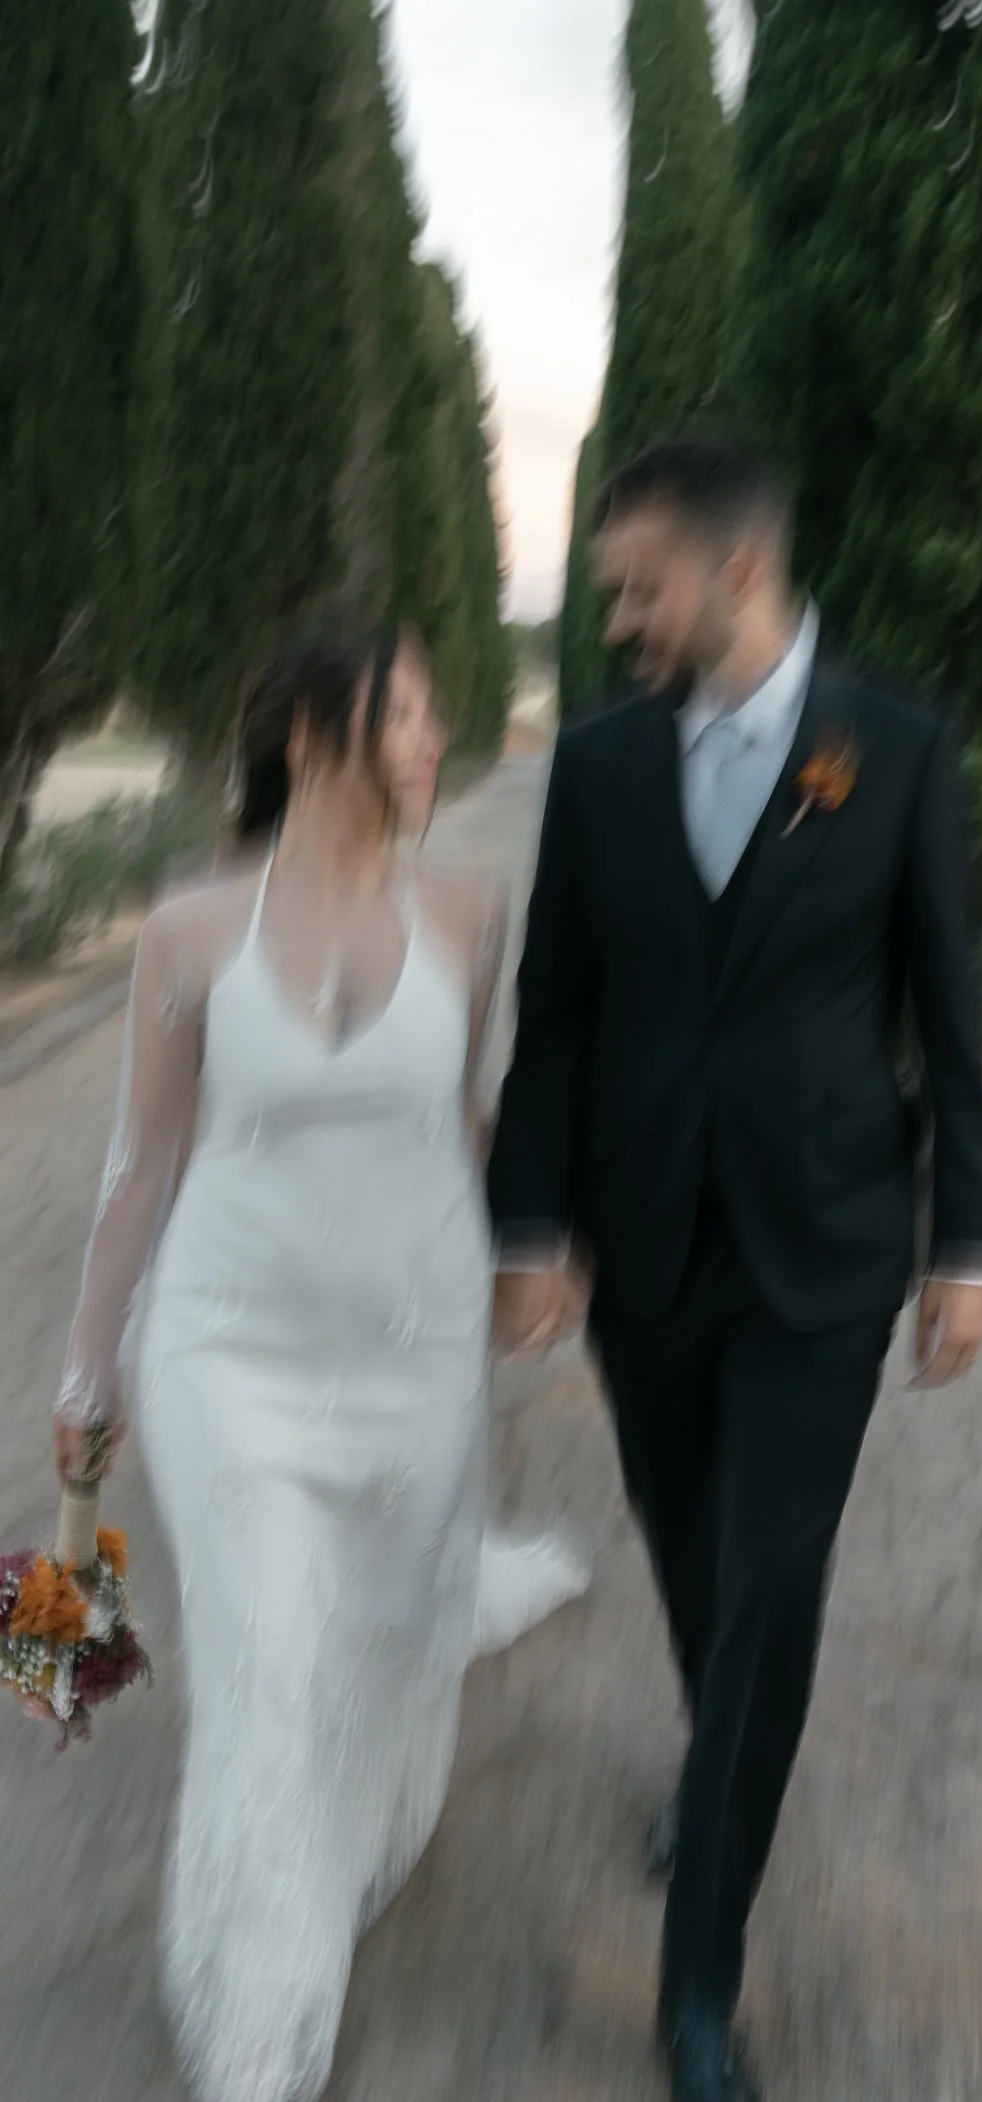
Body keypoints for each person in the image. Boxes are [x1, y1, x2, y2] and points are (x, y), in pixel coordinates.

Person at [489, 435, 982, 2102]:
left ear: (739, 572)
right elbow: (556, 1014)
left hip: (826, 1253)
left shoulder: (897, 751)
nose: (616, 618)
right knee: (698, 1566)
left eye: (637, 587)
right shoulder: (596, 765)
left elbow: (954, 1016)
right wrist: (529, 1227)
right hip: (643, 1248)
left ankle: (697, 1984)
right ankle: (723, 1767)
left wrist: (968, 1241)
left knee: (770, 1592)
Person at [53, 625, 586, 2102]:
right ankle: (256, 2021)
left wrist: (545, 1238)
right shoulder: (187, 930)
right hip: (225, 1356)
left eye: (431, 715)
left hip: (415, 1357)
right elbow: (142, 1167)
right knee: (266, 1670)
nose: (431, 738)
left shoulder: (469, 914)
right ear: (306, 736)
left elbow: (460, 1118)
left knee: (385, 1638)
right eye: (400, 713)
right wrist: (88, 1374)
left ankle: (341, 1827)